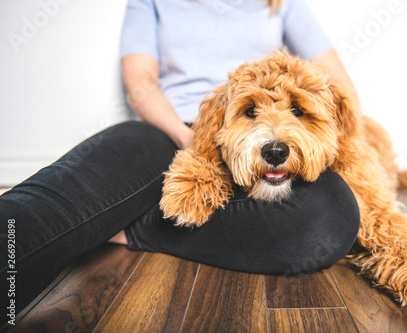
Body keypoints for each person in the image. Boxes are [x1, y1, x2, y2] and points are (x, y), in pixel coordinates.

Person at [0, 0, 360, 324]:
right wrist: (191, 139)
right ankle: (104, 214)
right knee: (56, 200)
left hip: (266, 141)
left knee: (333, 212)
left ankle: (124, 225)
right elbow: (141, 83)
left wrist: (318, 138)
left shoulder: (283, 3)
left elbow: (340, 88)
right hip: (168, 128)